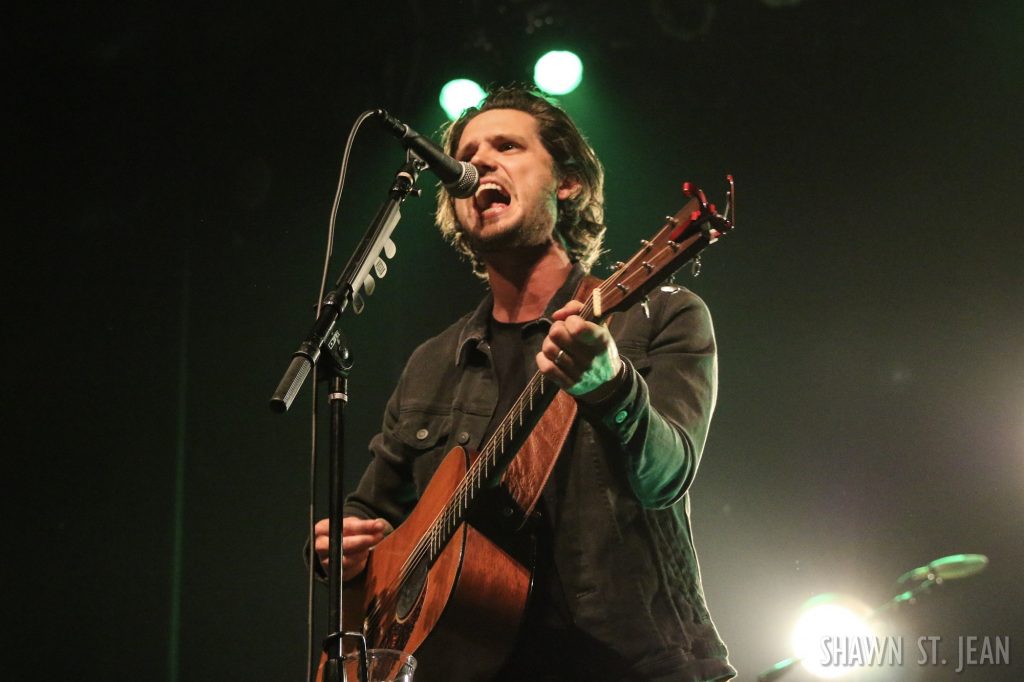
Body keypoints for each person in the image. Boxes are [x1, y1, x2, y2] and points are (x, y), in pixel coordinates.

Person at [314, 85, 735, 681]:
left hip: (634, 666)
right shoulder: (433, 363)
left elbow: (667, 476)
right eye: (468, 151)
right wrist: (343, 550)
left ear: (570, 184)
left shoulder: (659, 316)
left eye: (507, 146)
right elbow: (370, 509)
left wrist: (609, 385)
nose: (479, 160)